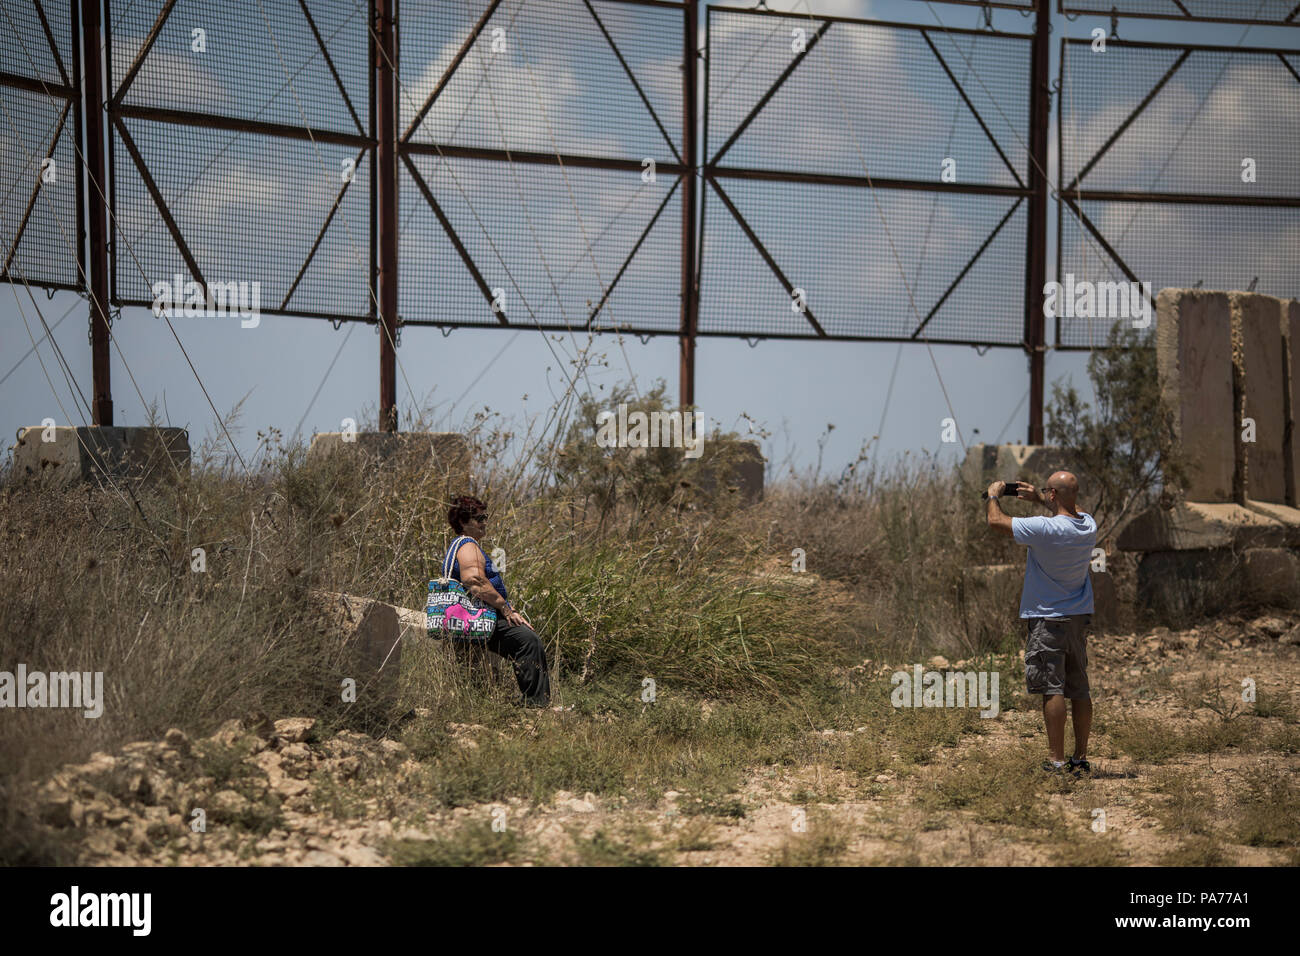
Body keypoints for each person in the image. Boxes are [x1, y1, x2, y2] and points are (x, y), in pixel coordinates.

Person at [985, 472, 1096, 774]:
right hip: (1077, 617)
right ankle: (1080, 758)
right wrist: (1040, 498)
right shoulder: (1088, 525)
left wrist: (994, 494)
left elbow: (996, 522)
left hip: (1047, 618)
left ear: (1052, 494)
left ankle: (1056, 761)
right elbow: (1074, 509)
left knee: (1053, 688)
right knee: (1080, 688)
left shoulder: (1044, 529)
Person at [444, 494, 551, 707]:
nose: (485, 523)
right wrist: (506, 609)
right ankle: (536, 704)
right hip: (477, 616)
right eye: (479, 518)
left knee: (526, 640)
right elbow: (474, 581)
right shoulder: (467, 545)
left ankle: (534, 701)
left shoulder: (461, 544)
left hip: (470, 616)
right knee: (528, 641)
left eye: (485, 517)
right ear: (464, 522)